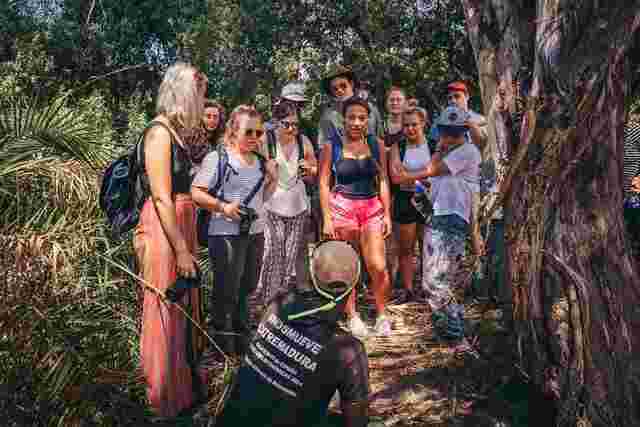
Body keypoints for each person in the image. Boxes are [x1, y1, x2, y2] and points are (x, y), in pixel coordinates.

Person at [216, 240, 369, 427]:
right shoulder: (348, 351)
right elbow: (357, 421)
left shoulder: (279, 304)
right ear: (352, 288)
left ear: (311, 276)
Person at [133, 62, 208, 418]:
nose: (203, 101)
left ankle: (182, 394)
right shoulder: (159, 132)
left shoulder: (175, 133)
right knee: (164, 306)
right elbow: (161, 196)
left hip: (181, 224)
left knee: (181, 310)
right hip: (165, 231)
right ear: (183, 95)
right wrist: (180, 249)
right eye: (199, 94)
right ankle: (159, 400)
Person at [191, 105, 275, 356]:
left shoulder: (261, 162)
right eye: (248, 131)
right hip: (224, 232)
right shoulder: (218, 158)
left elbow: (264, 197)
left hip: (254, 231)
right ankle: (221, 343)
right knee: (226, 289)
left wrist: (272, 178)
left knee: (247, 286)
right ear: (233, 130)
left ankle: (241, 336)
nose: (254, 138)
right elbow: (197, 192)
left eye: (259, 133)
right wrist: (223, 207)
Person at [397, 105, 482, 342]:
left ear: (464, 132)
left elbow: (432, 170)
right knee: (432, 280)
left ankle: (456, 336)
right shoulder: (449, 151)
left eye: (455, 133)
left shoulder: (468, 151)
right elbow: (434, 183)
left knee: (438, 281)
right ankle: (447, 329)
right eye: (446, 132)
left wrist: (434, 151)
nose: (450, 138)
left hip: (452, 219)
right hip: (438, 217)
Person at [319, 96, 392, 337]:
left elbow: (382, 179)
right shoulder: (332, 146)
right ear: (344, 119)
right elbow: (323, 183)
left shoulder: (376, 144)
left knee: (378, 266)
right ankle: (352, 316)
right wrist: (327, 218)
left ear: (368, 120)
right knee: (347, 266)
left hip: (371, 207)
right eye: (352, 117)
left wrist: (387, 213)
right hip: (342, 207)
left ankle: (382, 314)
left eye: (362, 118)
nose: (357, 122)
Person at [259, 102, 318, 304]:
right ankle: (268, 294)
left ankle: (285, 295)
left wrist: (309, 169)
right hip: (272, 202)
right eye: (287, 124)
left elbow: (313, 173)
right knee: (274, 249)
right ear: (276, 123)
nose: (292, 129)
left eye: (295, 125)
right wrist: (267, 170)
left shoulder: (304, 142)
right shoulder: (265, 141)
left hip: (297, 203)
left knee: (293, 249)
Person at [388, 108, 432, 303]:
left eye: (414, 124)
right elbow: (397, 178)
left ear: (423, 123)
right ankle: (407, 289)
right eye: (406, 125)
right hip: (404, 200)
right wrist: (424, 175)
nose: (410, 128)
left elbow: (438, 173)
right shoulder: (399, 147)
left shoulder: (433, 145)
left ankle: (427, 287)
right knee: (406, 249)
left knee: (427, 246)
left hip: (429, 199)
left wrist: (410, 176)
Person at [317, 64, 383, 149]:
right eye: (335, 89)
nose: (340, 90)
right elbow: (323, 147)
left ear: (351, 84)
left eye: (343, 86)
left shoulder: (371, 109)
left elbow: (380, 138)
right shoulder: (328, 116)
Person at [383, 86, 409, 292]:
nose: (395, 103)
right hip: (384, 182)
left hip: (407, 183)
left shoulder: (410, 125)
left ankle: (407, 276)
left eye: (399, 99)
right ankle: (390, 276)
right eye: (391, 100)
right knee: (388, 231)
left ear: (405, 102)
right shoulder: (381, 126)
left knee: (408, 233)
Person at [428, 81, 488, 151]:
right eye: (450, 98)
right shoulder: (440, 121)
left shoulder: (480, 119)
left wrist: (471, 124)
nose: (453, 101)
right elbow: (432, 147)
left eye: (457, 96)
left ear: (467, 96)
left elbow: (482, 144)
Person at [187, 100, 226, 177]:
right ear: (201, 117)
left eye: (215, 117)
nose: (212, 120)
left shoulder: (220, 140)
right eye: (208, 116)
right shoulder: (190, 137)